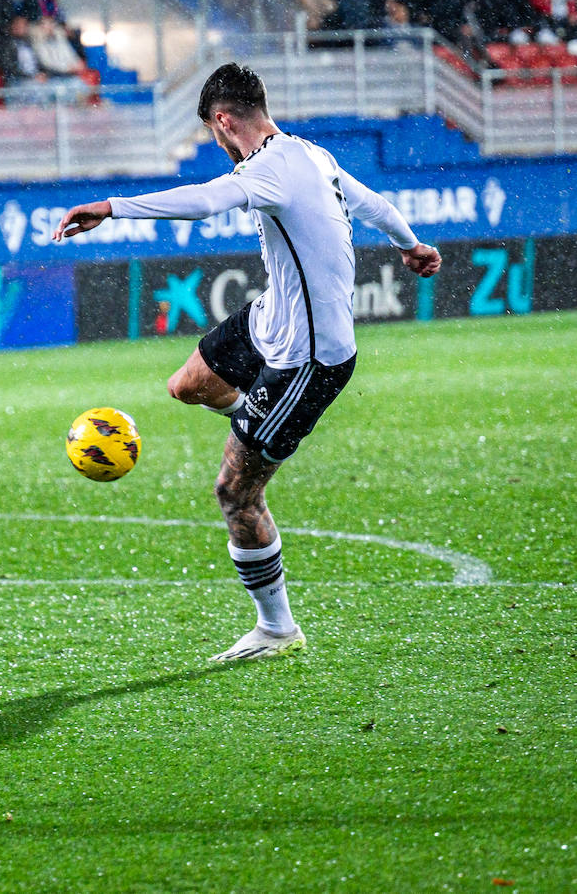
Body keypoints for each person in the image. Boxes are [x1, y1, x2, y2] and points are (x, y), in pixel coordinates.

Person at [53, 63, 441, 661]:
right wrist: (410, 244)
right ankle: (257, 416)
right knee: (187, 384)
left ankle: (277, 627)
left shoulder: (271, 168)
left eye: (213, 130)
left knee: (235, 492)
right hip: (270, 321)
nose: (216, 142)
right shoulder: (312, 156)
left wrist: (111, 207)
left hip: (310, 358)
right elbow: (376, 204)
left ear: (225, 120)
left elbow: (208, 201)